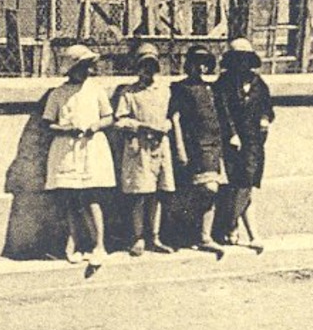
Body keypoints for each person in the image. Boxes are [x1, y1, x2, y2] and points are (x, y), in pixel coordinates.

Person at [42, 43, 116, 274]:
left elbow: (108, 117)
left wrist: (96, 125)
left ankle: (99, 245)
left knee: (91, 197)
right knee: (71, 198)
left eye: (89, 66)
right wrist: (66, 129)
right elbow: (48, 123)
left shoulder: (95, 90)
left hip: (91, 148)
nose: (88, 71)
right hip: (66, 150)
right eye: (83, 67)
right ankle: (75, 243)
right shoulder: (58, 94)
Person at [111, 42, 177, 257]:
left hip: (160, 147)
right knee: (140, 194)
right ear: (137, 68)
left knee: (157, 194)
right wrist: (140, 126)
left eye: (152, 67)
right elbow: (119, 120)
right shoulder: (129, 93)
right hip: (138, 149)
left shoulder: (164, 91)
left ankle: (155, 237)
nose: (148, 71)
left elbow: (171, 117)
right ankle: (138, 237)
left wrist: (165, 126)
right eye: (143, 67)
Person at [168, 44, 228, 258]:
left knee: (212, 190)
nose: (200, 68)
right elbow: (174, 119)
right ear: (189, 65)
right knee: (200, 190)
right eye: (196, 63)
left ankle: (204, 236)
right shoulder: (179, 88)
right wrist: (180, 148)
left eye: (204, 64)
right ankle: (186, 233)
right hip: (193, 147)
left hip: (213, 146)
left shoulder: (210, 89)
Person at [214, 37, 273, 252]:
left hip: (255, 142)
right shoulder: (224, 83)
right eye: (238, 59)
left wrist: (265, 119)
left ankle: (233, 225)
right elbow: (223, 111)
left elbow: (267, 107)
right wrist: (232, 134)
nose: (242, 64)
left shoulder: (259, 83)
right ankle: (243, 231)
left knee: (247, 185)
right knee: (239, 185)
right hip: (233, 142)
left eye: (246, 59)